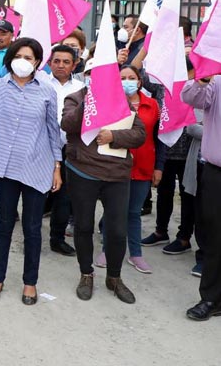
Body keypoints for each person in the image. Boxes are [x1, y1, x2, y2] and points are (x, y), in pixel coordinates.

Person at [0, 37, 63, 305]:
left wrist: (57, 167)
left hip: (37, 166)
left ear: (37, 62)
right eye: (19, 56)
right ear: (11, 59)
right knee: (4, 224)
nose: (24, 62)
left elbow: (53, 130)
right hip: (5, 167)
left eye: (29, 58)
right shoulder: (0, 86)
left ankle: (30, 282)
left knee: (32, 227)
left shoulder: (47, 90)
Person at [61, 74, 146, 303]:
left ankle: (114, 277)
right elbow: (67, 124)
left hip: (117, 176)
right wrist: (88, 102)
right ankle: (86, 273)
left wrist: (113, 136)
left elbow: (140, 134)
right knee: (84, 225)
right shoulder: (74, 98)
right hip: (83, 172)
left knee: (118, 230)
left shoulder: (122, 102)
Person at [93, 66, 164, 275]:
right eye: (122, 78)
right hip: (114, 166)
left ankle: (136, 253)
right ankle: (108, 250)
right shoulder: (110, 103)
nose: (127, 81)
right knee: (113, 211)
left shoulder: (152, 105)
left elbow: (159, 140)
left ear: (140, 81)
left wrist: (159, 167)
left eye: (131, 78)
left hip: (142, 167)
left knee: (133, 213)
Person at [181, 75, 221, 320]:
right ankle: (212, 298)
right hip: (217, 173)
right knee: (215, 237)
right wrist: (202, 78)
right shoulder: (216, 82)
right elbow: (190, 97)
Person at [45, 45, 86, 257]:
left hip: (70, 147)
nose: (60, 65)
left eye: (66, 62)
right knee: (38, 194)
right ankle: (30, 235)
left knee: (64, 197)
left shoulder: (81, 88)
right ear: (49, 62)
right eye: (57, 61)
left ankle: (57, 239)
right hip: (42, 147)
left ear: (74, 64)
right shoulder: (40, 83)